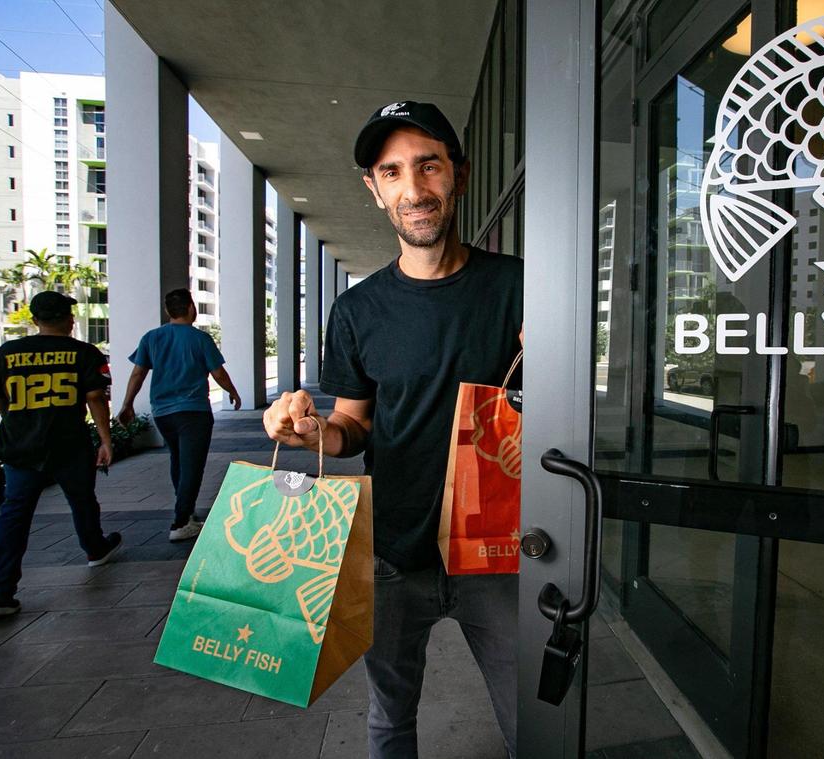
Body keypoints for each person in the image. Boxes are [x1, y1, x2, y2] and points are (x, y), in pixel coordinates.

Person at [264, 101, 522, 758]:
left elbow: (555, 414)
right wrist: (313, 433)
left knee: (534, 716)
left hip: (494, 552)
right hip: (388, 554)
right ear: (374, 189)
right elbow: (352, 423)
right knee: (389, 718)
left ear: (457, 176)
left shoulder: (520, 286)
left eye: (428, 165)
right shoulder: (356, 310)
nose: (414, 189)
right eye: (393, 171)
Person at [0, 290, 123, 617]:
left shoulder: (6, 353)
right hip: (68, 445)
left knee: (15, 514)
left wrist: (18, 421)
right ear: (70, 320)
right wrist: (106, 441)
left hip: (21, 448)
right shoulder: (83, 353)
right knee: (82, 500)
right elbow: (95, 398)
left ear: (34, 320)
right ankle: (95, 548)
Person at [118, 288, 241, 541]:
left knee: (178, 460)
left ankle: (186, 512)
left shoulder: (151, 337)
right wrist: (233, 392)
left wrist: (127, 404)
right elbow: (218, 373)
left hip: (163, 413)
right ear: (190, 308)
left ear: (168, 311)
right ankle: (181, 521)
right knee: (192, 466)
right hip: (193, 411)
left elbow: (138, 374)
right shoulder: (199, 339)